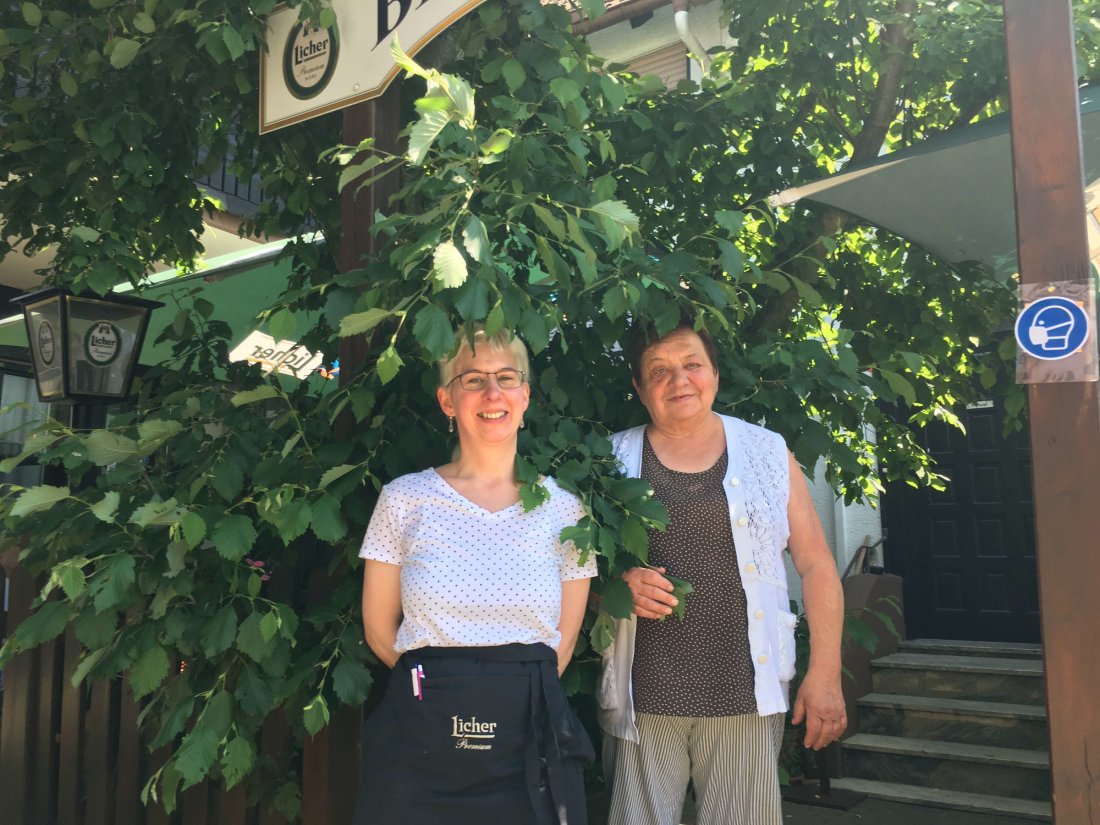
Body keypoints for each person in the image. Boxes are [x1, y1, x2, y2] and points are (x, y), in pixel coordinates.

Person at [598, 322, 846, 825]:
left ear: (714, 372)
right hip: (642, 698)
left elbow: (816, 564)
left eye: (692, 364)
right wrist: (611, 591)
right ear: (639, 387)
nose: (679, 380)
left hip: (745, 695)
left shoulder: (767, 452)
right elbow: (568, 576)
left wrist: (824, 674)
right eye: (659, 371)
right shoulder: (607, 460)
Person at [354, 326, 597, 825]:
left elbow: (564, 643)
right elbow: (379, 631)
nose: (492, 393)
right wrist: (443, 693)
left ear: (525, 395)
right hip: (420, 743)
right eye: (473, 380)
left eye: (507, 378)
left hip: (530, 745)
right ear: (447, 400)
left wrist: (497, 696)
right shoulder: (403, 499)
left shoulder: (566, 510)